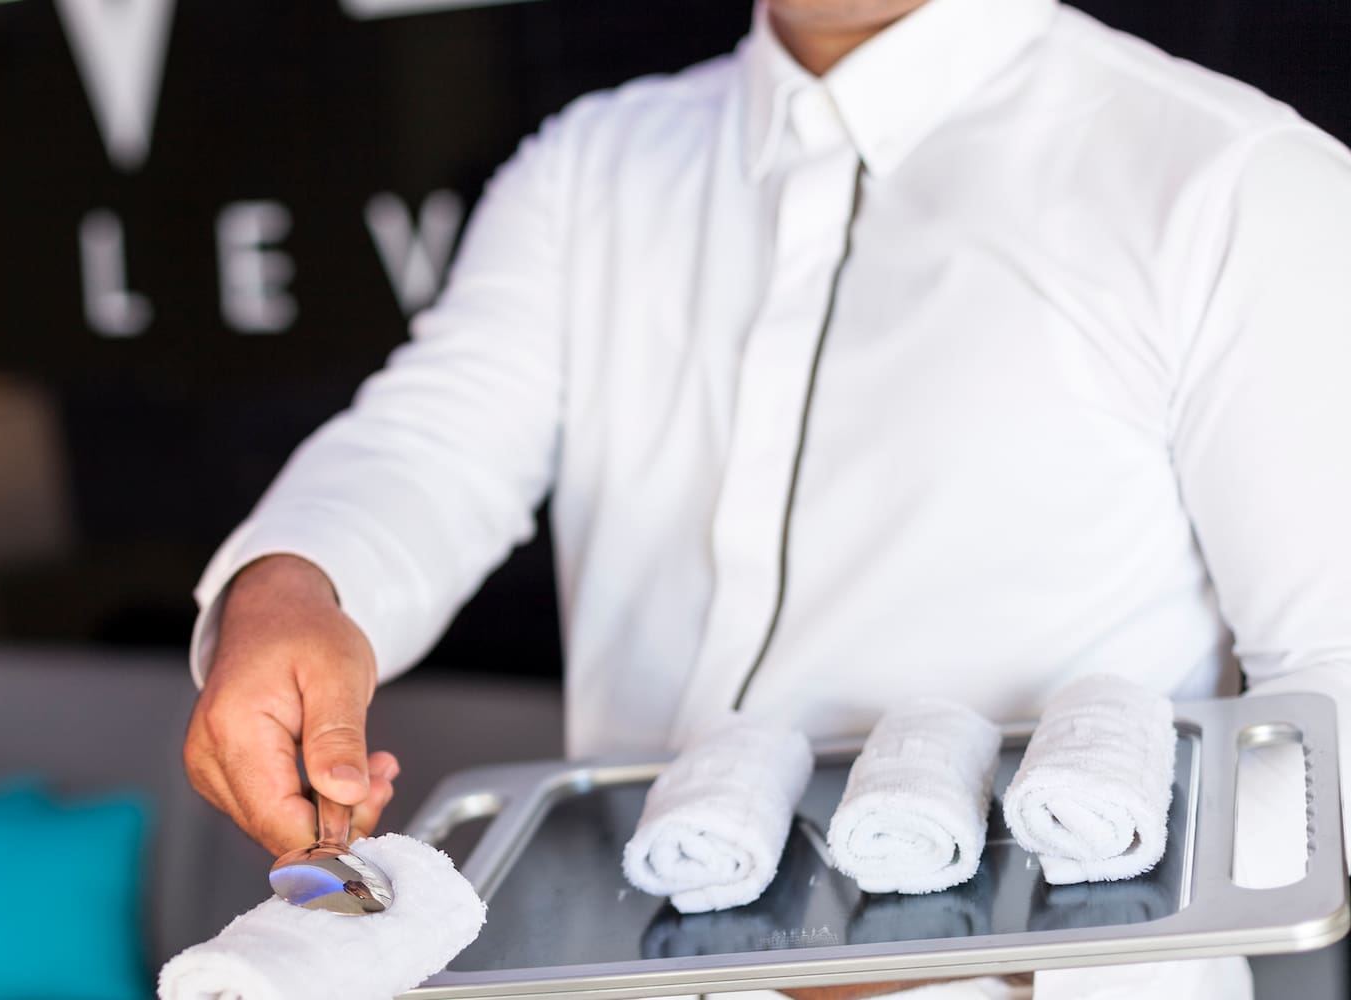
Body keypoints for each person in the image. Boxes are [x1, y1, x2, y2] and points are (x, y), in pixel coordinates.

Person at [182, 0, 1351, 996]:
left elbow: (1333, 692)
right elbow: (430, 445)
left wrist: (1009, 939)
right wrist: (291, 585)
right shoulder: (587, 167)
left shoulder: (1235, 182)